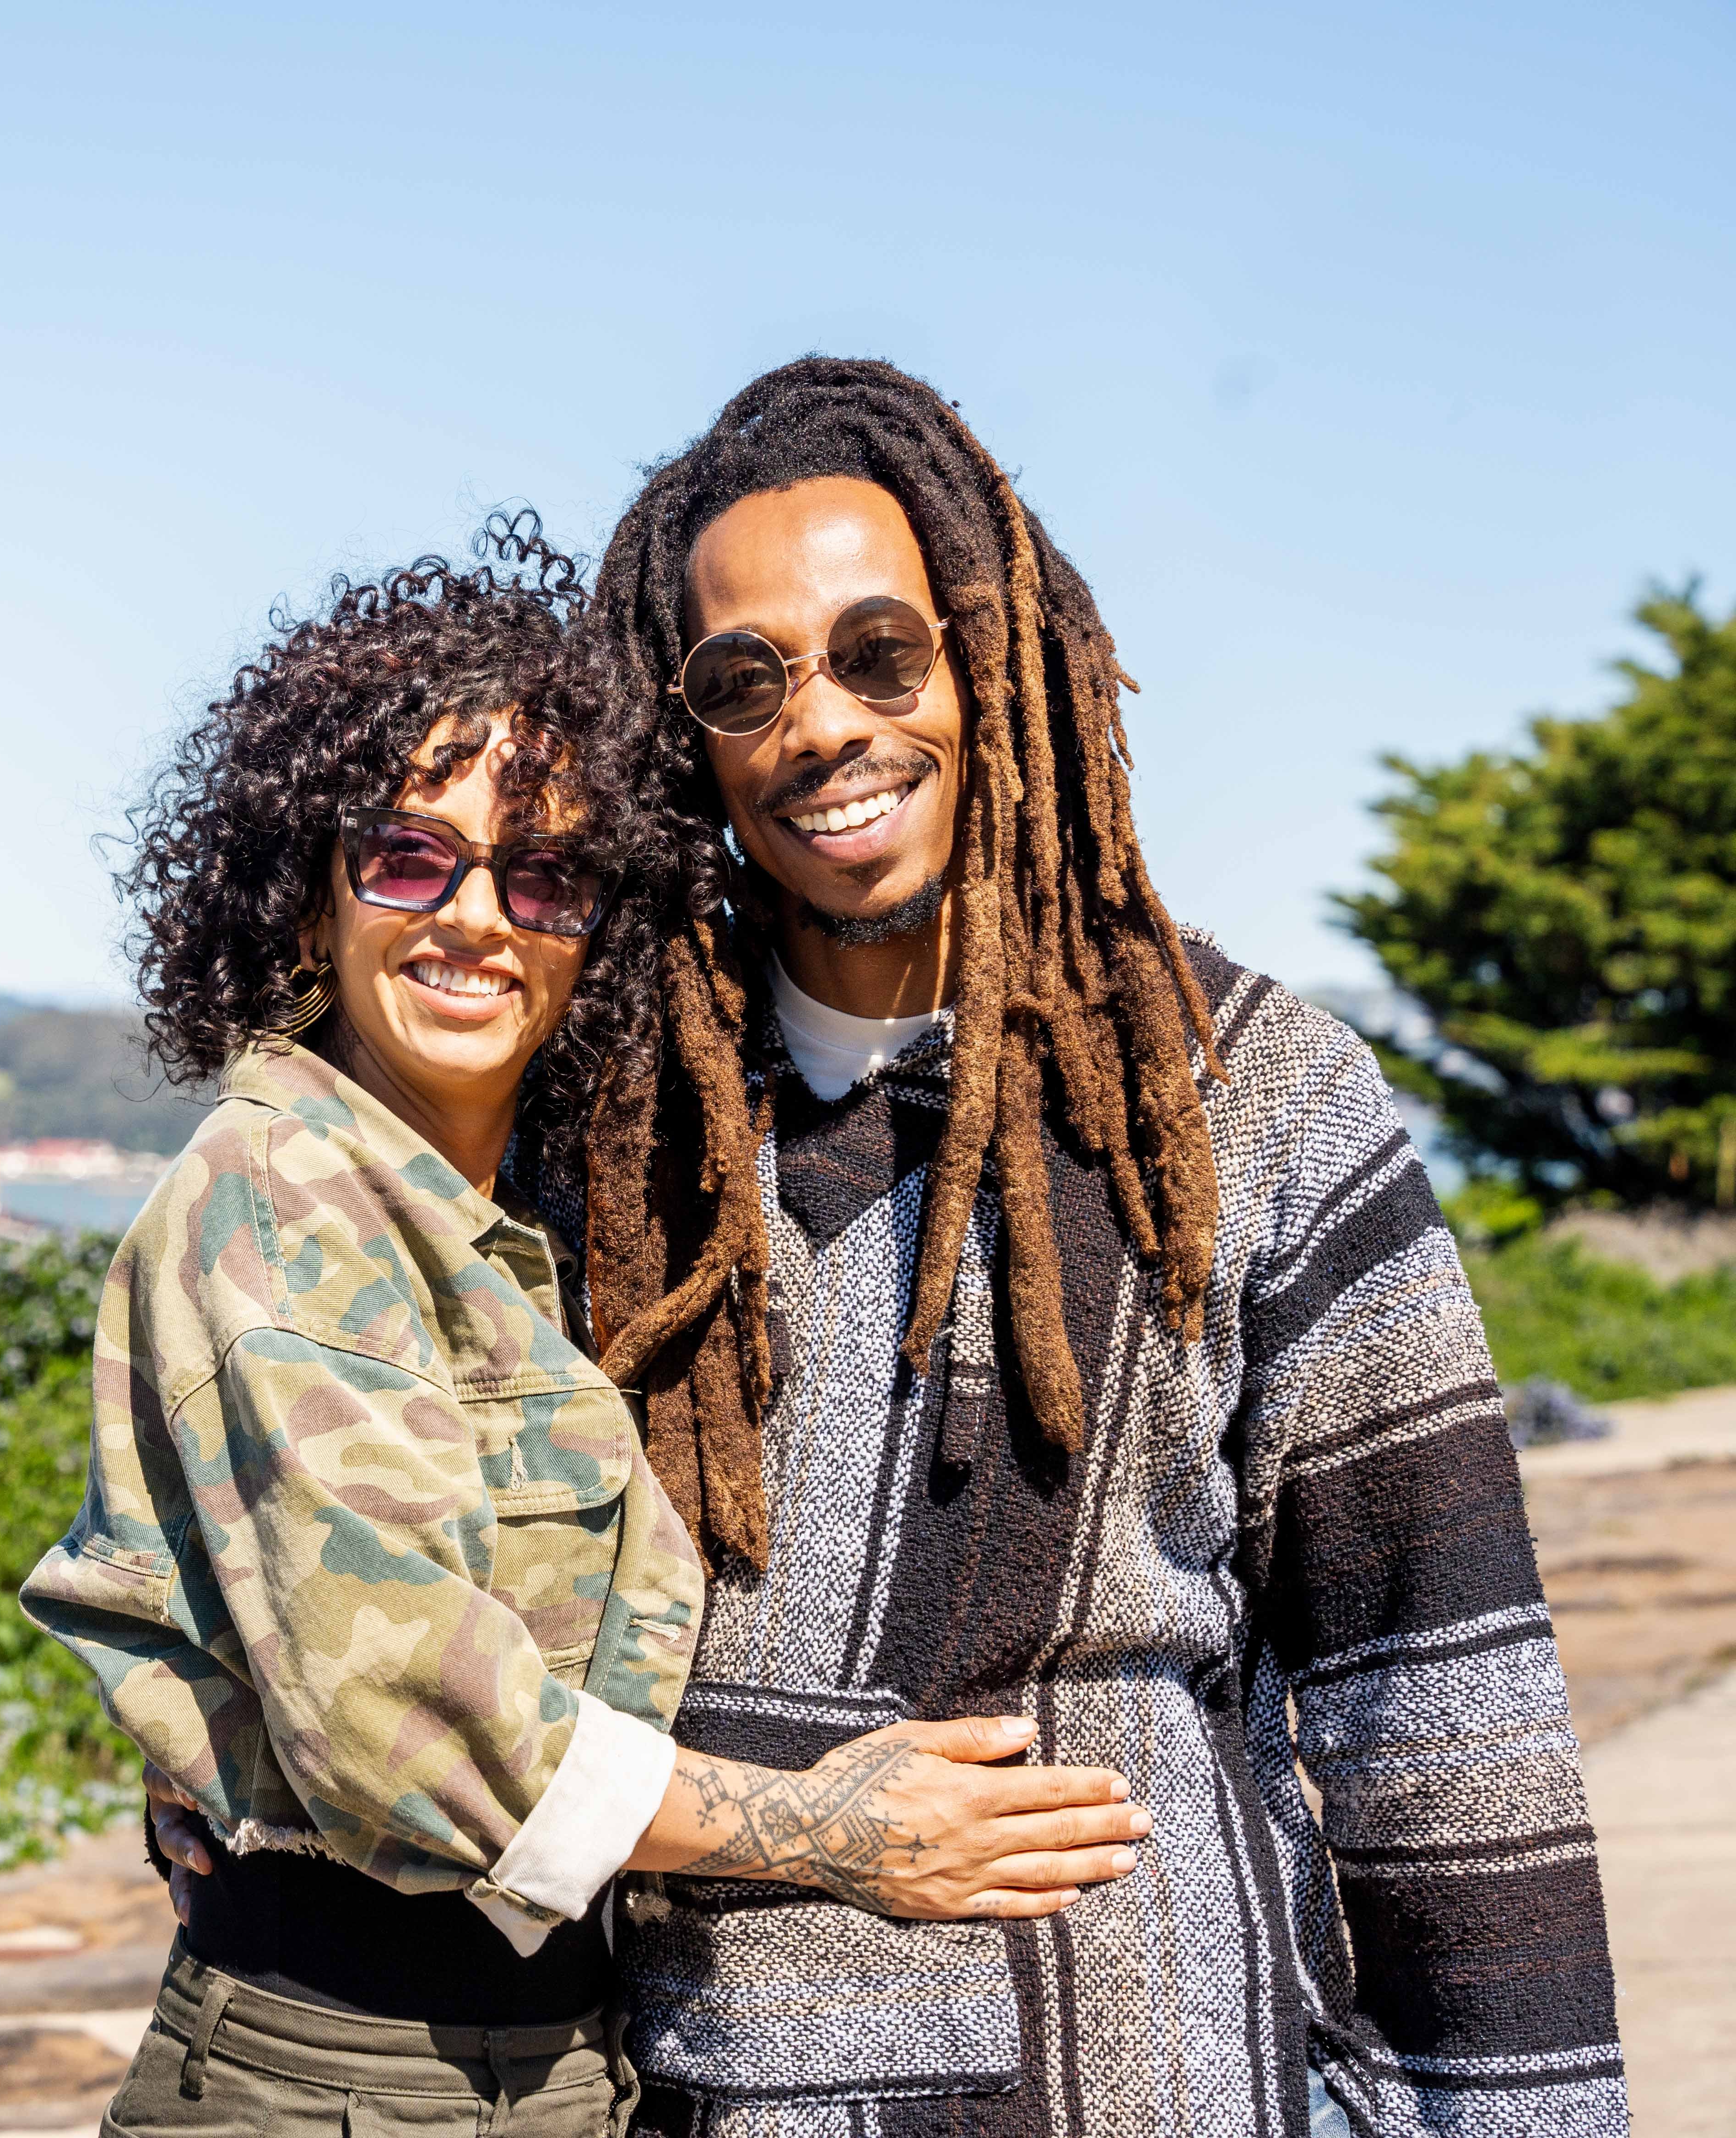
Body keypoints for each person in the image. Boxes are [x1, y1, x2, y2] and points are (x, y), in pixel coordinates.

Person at [580, 359, 1625, 2138]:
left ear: (995, 663)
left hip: (1154, 2079)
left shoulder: (1250, 1097)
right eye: (743, 679)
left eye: (880, 652)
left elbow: (1444, 1719)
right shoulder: (605, 1144)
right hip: (694, 2087)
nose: (820, 721)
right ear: (685, 738)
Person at [23, 524, 1151, 2138]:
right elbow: (401, 1714)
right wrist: (838, 1835)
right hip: (352, 2079)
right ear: (302, 892)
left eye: (544, 874)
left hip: (551, 2063)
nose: (478, 916)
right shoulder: (284, 1204)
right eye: (409, 856)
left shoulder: (519, 1217)